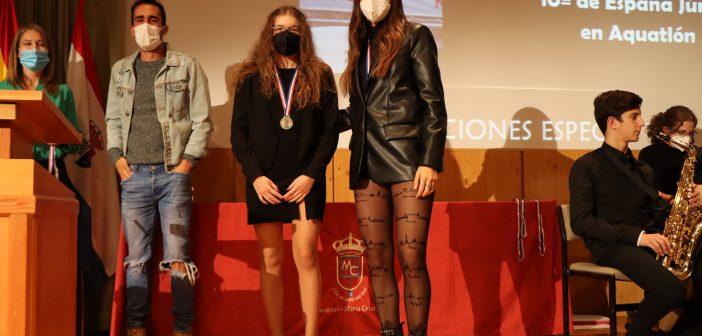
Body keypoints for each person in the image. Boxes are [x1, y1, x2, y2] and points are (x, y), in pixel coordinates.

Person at [337, 0, 448, 334]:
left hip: (407, 158)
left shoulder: (416, 35)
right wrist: (313, 120)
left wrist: (430, 161)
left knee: (411, 257)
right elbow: (359, 110)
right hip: (366, 160)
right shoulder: (360, 42)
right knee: (376, 259)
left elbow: (433, 103)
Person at [105, 1, 213, 335]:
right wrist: (117, 159)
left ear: (164, 27)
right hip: (132, 175)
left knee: (178, 255)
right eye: (139, 20)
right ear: (131, 27)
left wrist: (186, 164)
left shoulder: (186, 66)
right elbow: (112, 119)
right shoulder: (120, 70)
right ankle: (136, 325)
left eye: (153, 20)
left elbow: (202, 121)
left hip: (172, 176)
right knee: (136, 258)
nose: (146, 26)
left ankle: (183, 327)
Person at [230, 5, 338, 336]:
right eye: (278, 29)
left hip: (306, 178)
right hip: (264, 178)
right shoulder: (249, 76)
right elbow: (239, 133)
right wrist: (256, 177)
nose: (285, 34)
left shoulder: (320, 73)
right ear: (268, 34)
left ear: (303, 32)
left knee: (305, 256)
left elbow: (330, 131)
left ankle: (310, 334)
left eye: (292, 28)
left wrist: (311, 175)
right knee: (271, 260)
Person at [0, 22, 108, 332]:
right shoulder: (3, 90)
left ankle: (84, 318)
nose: (35, 50)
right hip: (11, 171)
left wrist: (56, 142)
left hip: (50, 171)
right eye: (28, 45)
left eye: (40, 45)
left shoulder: (60, 91)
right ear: (17, 52)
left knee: (81, 216)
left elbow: (74, 136)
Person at [569, 90, 702, 336]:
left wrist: (681, 209)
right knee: (671, 290)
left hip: (646, 241)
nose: (642, 123)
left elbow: (652, 212)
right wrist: (640, 237)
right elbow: (581, 222)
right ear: (612, 122)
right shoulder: (587, 166)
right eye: (634, 116)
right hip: (611, 245)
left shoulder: (643, 169)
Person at [639, 106, 701, 202]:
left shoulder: (694, 153)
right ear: (666, 130)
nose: (687, 138)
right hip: (660, 207)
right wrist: (670, 199)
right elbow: (646, 188)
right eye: (682, 132)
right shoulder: (648, 153)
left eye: (690, 133)